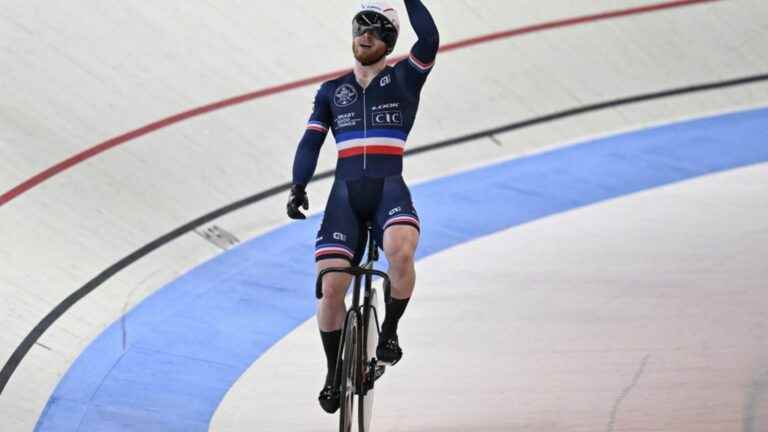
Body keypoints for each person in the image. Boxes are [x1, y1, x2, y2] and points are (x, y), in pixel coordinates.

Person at [286, 0, 439, 414]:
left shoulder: (406, 78)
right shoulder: (333, 91)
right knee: (332, 286)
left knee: (400, 251)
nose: (364, 36)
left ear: (388, 40)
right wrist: (298, 185)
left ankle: (389, 331)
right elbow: (311, 141)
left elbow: (429, 39)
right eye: (359, 29)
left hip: (389, 190)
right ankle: (331, 373)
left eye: (373, 30)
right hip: (345, 197)